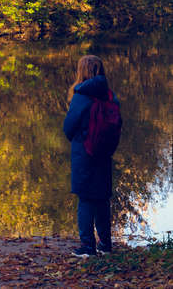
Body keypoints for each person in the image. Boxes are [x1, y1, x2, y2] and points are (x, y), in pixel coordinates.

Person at [63, 55, 120, 258]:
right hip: (104, 154)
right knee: (102, 199)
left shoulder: (81, 95)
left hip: (84, 154)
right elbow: (118, 125)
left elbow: (68, 128)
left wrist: (80, 139)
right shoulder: (111, 96)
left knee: (86, 199)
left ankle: (87, 247)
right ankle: (105, 245)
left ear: (81, 71)